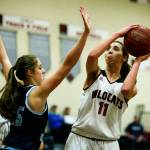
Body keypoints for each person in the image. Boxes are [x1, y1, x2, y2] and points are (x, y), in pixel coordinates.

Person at [0, 6, 91, 150]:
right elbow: (67, 65)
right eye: (40, 67)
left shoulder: (14, 87)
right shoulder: (37, 92)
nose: (44, 71)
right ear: (30, 72)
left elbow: (4, 58)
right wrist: (85, 34)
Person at [64, 24, 150, 150]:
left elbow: (125, 90)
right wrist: (118, 34)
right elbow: (92, 56)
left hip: (108, 143)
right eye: (108, 49)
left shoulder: (128, 86)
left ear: (124, 57)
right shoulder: (95, 74)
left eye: (115, 49)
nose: (109, 51)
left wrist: (137, 61)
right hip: (80, 138)